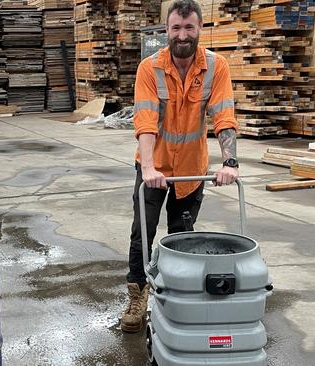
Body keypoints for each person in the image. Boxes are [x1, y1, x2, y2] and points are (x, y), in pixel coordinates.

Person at [120, 0, 240, 333]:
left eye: (189, 28)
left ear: (200, 29)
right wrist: (147, 167)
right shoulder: (150, 68)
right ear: (166, 30)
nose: (182, 35)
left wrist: (230, 161)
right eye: (176, 28)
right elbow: (145, 121)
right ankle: (137, 295)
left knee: (182, 237)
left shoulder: (217, 68)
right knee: (141, 233)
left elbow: (224, 116)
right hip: (152, 168)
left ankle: (174, 294)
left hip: (191, 168)